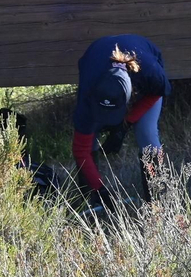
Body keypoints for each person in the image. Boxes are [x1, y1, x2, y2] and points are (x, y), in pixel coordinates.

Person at [71, 35, 171, 209]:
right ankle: (91, 200)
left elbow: (156, 93)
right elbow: (80, 149)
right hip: (94, 60)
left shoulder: (151, 73)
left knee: (147, 133)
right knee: (90, 138)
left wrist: (125, 125)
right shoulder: (87, 96)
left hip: (143, 63)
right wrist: (99, 189)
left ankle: (159, 199)